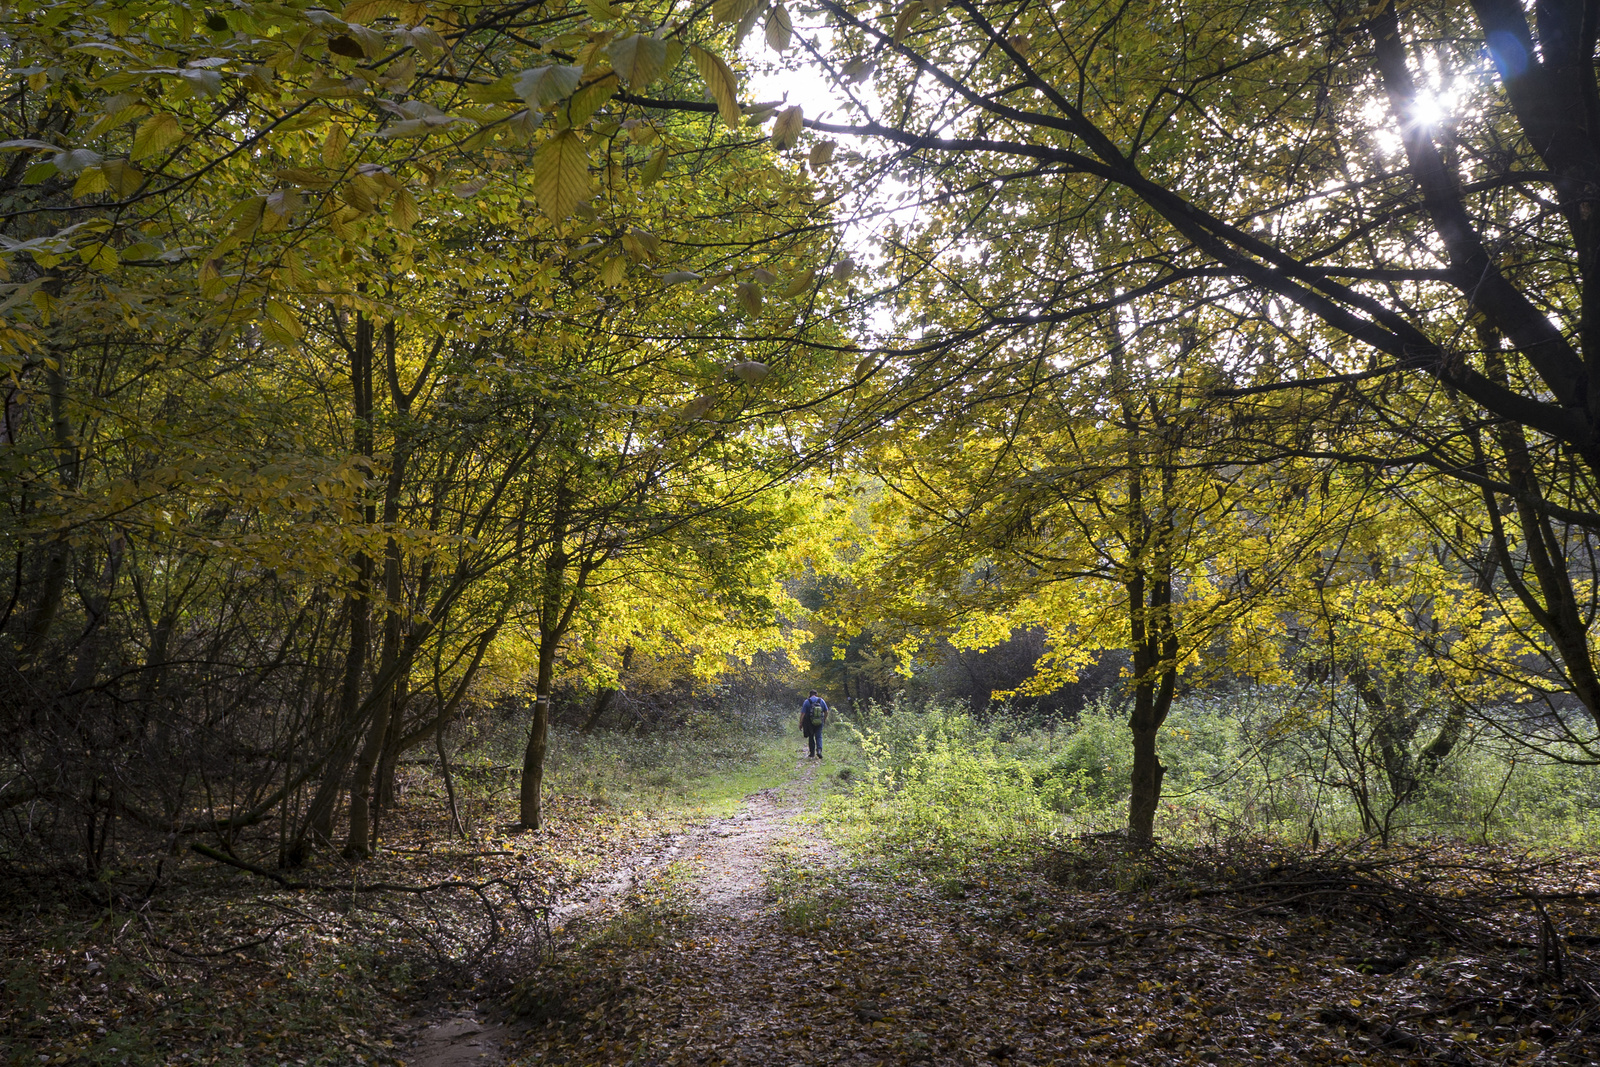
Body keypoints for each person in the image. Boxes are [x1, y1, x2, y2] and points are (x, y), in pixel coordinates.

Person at [799, 690, 829, 759]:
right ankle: (819, 750)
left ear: (810, 695)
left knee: (811, 736)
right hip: (819, 721)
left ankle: (812, 753)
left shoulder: (807, 701)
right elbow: (826, 711)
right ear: (816, 694)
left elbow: (803, 714)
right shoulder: (821, 700)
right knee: (818, 736)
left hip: (809, 722)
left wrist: (801, 723)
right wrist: (824, 719)